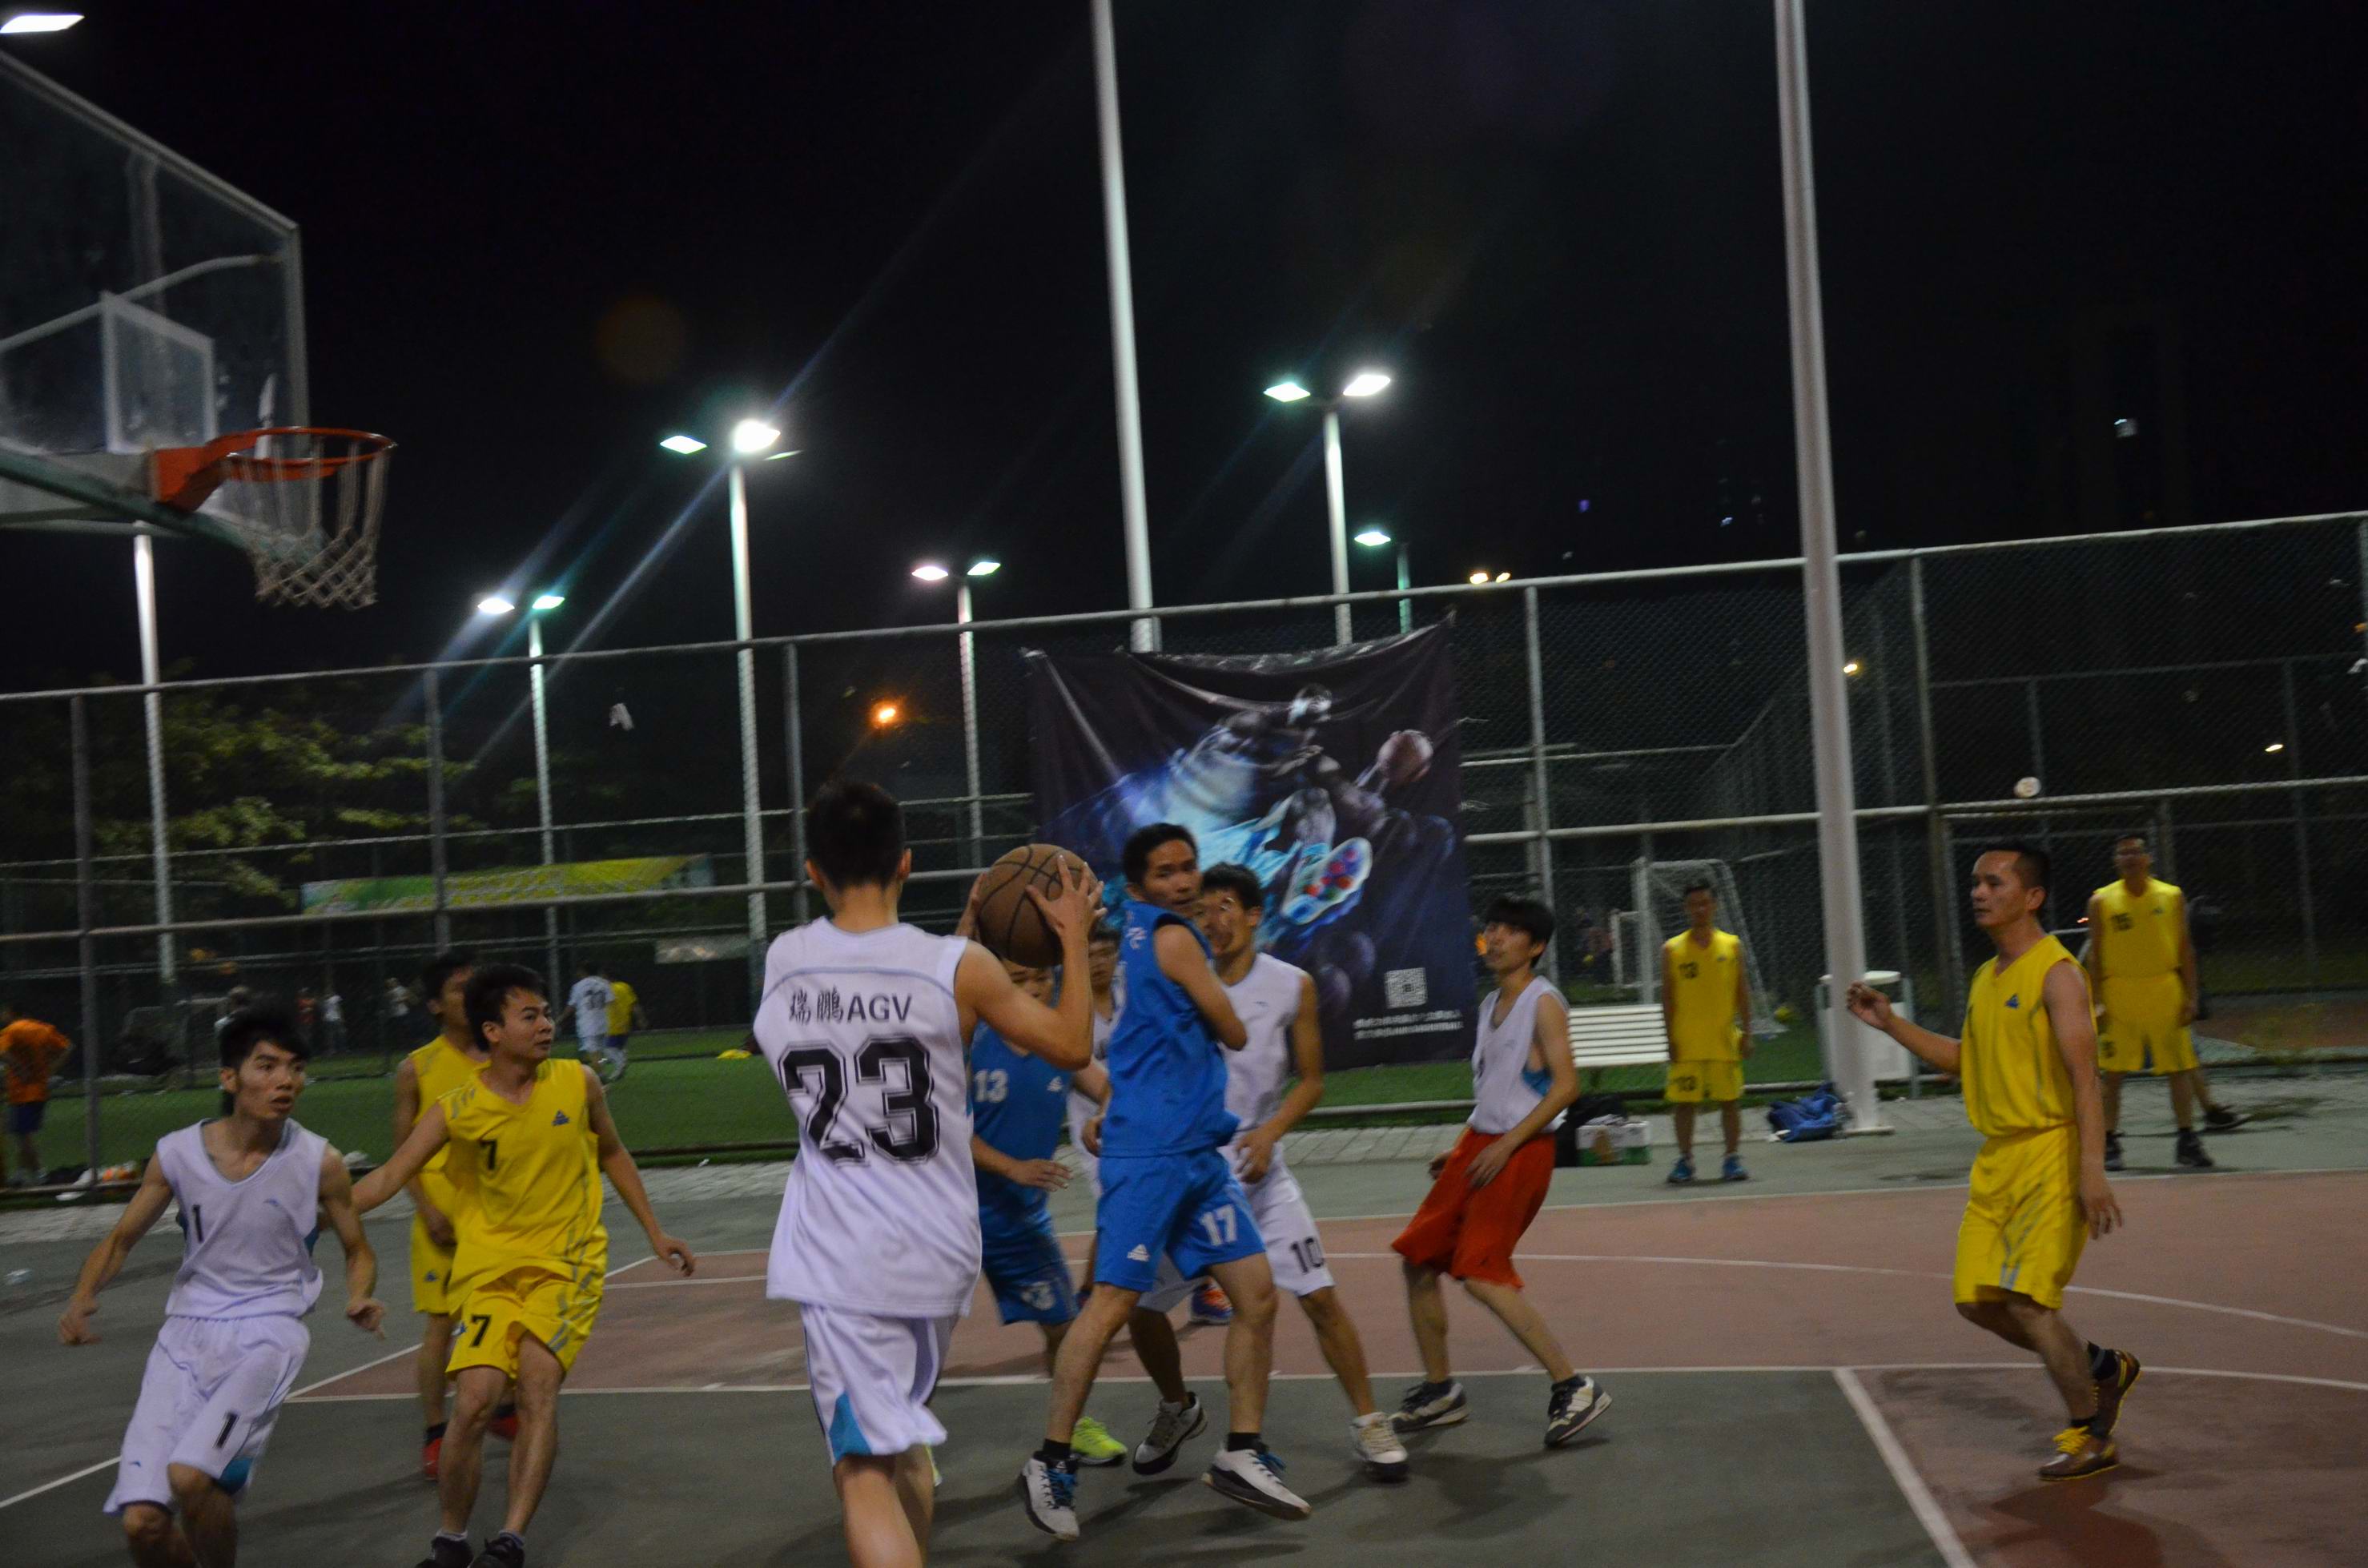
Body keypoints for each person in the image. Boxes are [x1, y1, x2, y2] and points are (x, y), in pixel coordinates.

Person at [754, 779, 1101, 1568]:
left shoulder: (785, 960)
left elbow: (874, 996)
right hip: (938, 1249)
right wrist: (1072, 939)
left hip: (844, 1256)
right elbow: (1071, 1044)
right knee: (904, 1445)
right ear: (906, 862)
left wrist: (966, 933)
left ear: (812, 871)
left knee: (861, 1472)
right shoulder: (960, 968)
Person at [1019, 822, 1310, 1543]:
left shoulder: (1141, 940)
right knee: (1111, 1303)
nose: (1182, 882)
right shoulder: (1174, 938)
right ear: (1138, 886)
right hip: (1151, 1158)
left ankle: (1241, 1452)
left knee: (1256, 1293)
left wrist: (1115, 1105)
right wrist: (1217, 990)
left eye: (1188, 868)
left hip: (1195, 1152)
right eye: (1165, 873)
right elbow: (1234, 1032)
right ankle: (1049, 1461)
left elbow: (1143, 1044)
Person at [356, 963, 696, 1568]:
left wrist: (654, 1231)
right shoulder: (457, 1108)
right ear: (492, 1031)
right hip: (489, 1271)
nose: (546, 1025)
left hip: (567, 1265)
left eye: (545, 1014)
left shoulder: (577, 1082)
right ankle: (451, 1540)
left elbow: (613, 1151)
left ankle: (510, 1540)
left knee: (537, 1385)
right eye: (530, 1016)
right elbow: (386, 1177)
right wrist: (308, 1207)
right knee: (474, 1402)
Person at [1847, 843, 2139, 1481]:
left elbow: (2085, 1077)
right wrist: (1890, 1024)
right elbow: (1964, 1060)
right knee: (1977, 1302)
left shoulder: (2056, 974)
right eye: (1975, 883)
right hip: (1997, 1160)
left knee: (2029, 1302)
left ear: (2031, 897)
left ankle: (2090, 1433)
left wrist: (2092, 1169)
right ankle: (2099, 1368)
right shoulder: (1987, 977)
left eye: (1993, 883)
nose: (1978, 893)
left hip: (2050, 1151)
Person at [61, 1001, 385, 1568]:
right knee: (143, 1525)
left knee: (191, 1478)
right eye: (268, 1066)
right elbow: (120, 1240)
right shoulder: (177, 1154)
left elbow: (357, 1248)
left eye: (296, 1069)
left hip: (268, 1333)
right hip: (184, 1336)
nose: (286, 1081)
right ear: (229, 1078)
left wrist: (358, 1295)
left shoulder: (320, 1161)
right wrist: (83, 1296)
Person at [1192, 862, 1409, 1480]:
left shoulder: (1291, 985)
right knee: (1137, 1307)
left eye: (1225, 906)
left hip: (1264, 1174)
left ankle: (1368, 1420)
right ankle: (1175, 1409)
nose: (1213, 920)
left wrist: (1269, 1132)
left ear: (1254, 914)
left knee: (1318, 1297)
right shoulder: (1186, 984)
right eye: (1203, 910)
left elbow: (1311, 1081)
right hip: (1197, 1176)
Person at [1391, 895, 1608, 1448]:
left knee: (1482, 1275)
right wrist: (1462, 1148)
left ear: (1535, 946)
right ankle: (1440, 1391)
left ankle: (1574, 1384)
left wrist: (1506, 1143)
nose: (1496, 937)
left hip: (1521, 1150)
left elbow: (1565, 1086)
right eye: (1492, 927)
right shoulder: (1490, 1004)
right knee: (1418, 1259)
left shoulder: (1543, 1002)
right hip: (1482, 1145)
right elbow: (1497, 1090)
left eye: (1511, 930)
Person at [967, 958, 1129, 1467]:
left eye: (1040, 976)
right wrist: (1011, 1167)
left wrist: (1103, 1114)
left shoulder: (1060, 1045)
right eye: (1019, 979)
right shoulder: (970, 1041)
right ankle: (908, 1444)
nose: (1034, 987)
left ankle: (1073, 1429)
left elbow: (1110, 1087)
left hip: (1020, 1220)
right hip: (954, 1215)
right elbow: (943, 1127)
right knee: (922, 1339)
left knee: (1065, 1326)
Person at [392, 953, 518, 1480]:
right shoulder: (417, 1068)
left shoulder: (503, 1055)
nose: (469, 996)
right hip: (443, 1212)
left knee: (509, 1312)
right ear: (435, 1005)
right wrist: (426, 1209)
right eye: (458, 988)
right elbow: (402, 1153)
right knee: (442, 1325)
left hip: (498, 1211)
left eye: (475, 986)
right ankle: (435, 1433)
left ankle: (503, 1407)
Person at [2088, 833, 2239, 1172]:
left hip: (2164, 991)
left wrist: (2191, 996)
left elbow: (2185, 949)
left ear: (2148, 858)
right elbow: (2095, 955)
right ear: (2116, 861)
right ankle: (2108, 1141)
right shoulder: (2101, 901)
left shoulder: (2171, 896)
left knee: (2178, 1068)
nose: (2130, 858)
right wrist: (2096, 1000)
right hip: (2120, 994)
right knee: (2113, 1073)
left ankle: (2187, 1140)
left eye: (2135, 852)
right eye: (2123, 853)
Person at [1659, 883, 1752, 1183]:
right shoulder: (1672, 949)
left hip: (1723, 1040)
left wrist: (1748, 1032)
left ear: (1714, 906)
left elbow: (1742, 992)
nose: (1700, 909)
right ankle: (1685, 1160)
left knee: (1730, 1101)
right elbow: (1668, 998)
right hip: (1687, 1042)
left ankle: (1732, 1158)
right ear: (1686, 909)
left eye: (1705, 903)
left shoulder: (1731, 945)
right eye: (1694, 904)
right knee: (1684, 1104)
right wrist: (1670, 1039)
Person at [1, 1003, 74, 1185]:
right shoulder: (43, 1029)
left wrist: (19, 1068)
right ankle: (20, 1174)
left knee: (23, 1137)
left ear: (11, 1013)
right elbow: (67, 1047)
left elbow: (2, 1052)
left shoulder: (12, 1030)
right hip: (39, 1091)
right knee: (23, 1134)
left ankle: (40, 1175)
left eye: (4, 1012)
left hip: (21, 1092)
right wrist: (52, 1069)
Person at [560, 965, 615, 1077]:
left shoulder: (578, 986)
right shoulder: (605, 983)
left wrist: (561, 1019)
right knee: (600, 1053)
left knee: (593, 1053)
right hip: (603, 1023)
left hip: (587, 1025)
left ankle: (601, 1076)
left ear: (583, 971)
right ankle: (600, 1070)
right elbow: (611, 1002)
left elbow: (571, 1006)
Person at [601, 970, 646, 1064]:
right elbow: (634, 1005)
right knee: (619, 1048)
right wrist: (640, 1019)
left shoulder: (608, 989)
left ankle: (621, 1062)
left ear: (607, 977)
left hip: (612, 1024)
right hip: (625, 1023)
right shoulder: (625, 987)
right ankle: (619, 1062)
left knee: (608, 1048)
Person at [320, 988, 346, 1055]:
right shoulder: (326, 1000)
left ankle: (338, 1049)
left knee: (336, 1034)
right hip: (331, 1019)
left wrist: (341, 1017)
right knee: (333, 1035)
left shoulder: (333, 999)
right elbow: (339, 1008)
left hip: (334, 1018)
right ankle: (334, 1049)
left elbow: (339, 1008)